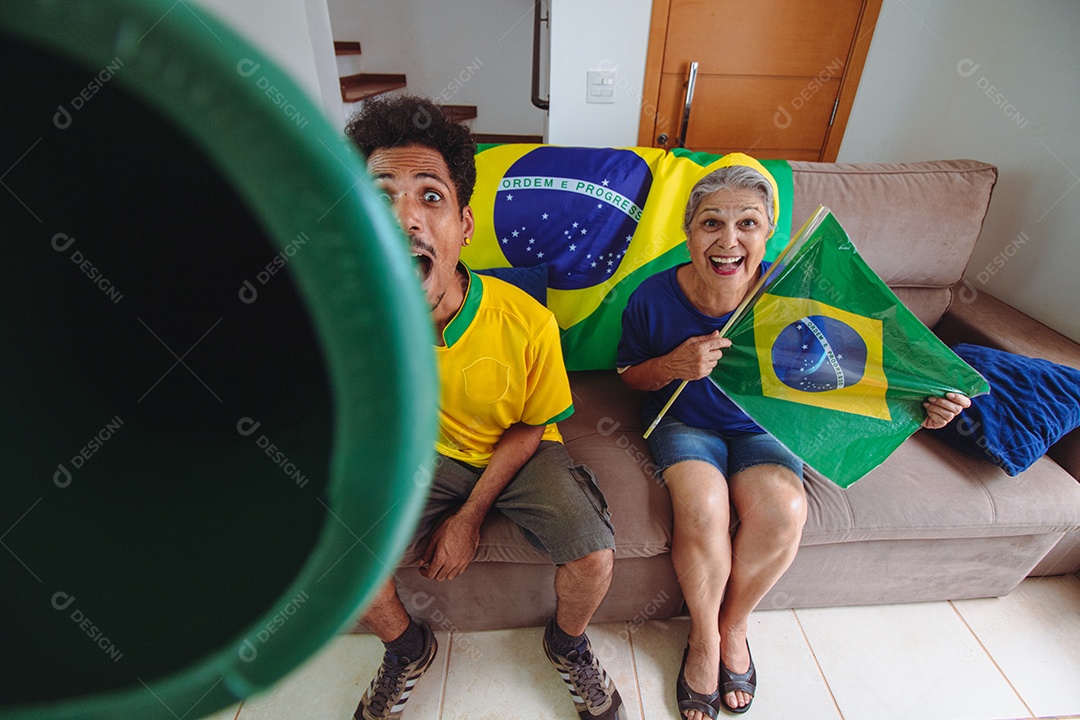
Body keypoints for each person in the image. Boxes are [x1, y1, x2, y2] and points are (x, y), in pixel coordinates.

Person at [616, 159, 969, 718]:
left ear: (768, 233)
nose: (728, 241)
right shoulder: (652, 297)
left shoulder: (799, 288)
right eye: (711, 223)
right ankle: (704, 640)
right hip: (686, 421)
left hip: (771, 425)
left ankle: (734, 626)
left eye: (748, 224)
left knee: (785, 509)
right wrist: (673, 364)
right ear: (688, 233)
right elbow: (630, 373)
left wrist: (923, 405)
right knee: (703, 507)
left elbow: (863, 364)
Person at [344, 94, 624, 720]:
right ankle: (406, 649)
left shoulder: (526, 320)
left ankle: (569, 645)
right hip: (425, 456)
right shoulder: (357, 322)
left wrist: (469, 516)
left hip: (519, 449)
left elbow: (532, 424)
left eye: (429, 196)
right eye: (380, 197)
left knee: (594, 552)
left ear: (464, 227)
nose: (405, 218)